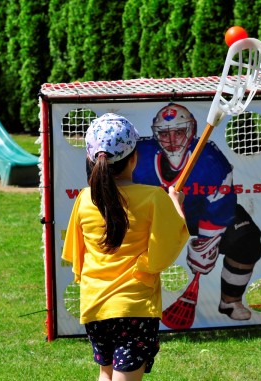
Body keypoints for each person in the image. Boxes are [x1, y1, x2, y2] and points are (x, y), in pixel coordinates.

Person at [62, 113, 189, 381]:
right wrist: (176, 202)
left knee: (106, 375)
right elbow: (169, 243)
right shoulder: (154, 198)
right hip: (134, 307)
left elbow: (76, 253)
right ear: (134, 158)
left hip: (95, 306)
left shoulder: (85, 199)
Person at [133, 103, 261, 322]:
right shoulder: (140, 155)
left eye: (179, 132)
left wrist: (208, 241)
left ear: (191, 131)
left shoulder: (210, 158)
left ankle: (229, 301)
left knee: (246, 238)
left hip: (200, 214)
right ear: (156, 134)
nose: (172, 140)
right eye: (164, 134)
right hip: (151, 216)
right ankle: (132, 304)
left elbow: (220, 204)